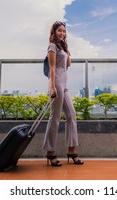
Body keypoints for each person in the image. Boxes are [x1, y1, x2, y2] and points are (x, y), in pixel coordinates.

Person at [42, 21, 84, 167]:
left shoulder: (62, 46)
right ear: (53, 32)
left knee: (71, 115)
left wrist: (66, 48)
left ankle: (71, 150)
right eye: (59, 31)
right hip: (57, 83)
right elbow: (52, 68)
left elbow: (68, 65)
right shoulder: (52, 46)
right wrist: (52, 87)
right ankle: (50, 152)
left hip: (65, 84)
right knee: (55, 118)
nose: (62, 33)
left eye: (64, 31)